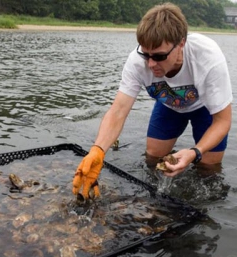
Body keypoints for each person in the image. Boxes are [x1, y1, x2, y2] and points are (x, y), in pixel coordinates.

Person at [72, 2, 232, 199]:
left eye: (159, 56)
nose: (150, 64)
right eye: (146, 54)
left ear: (181, 43)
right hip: (169, 105)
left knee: (208, 167)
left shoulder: (208, 58)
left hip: (204, 108)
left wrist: (194, 152)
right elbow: (118, 111)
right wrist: (98, 150)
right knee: (153, 156)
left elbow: (223, 121)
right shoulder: (136, 61)